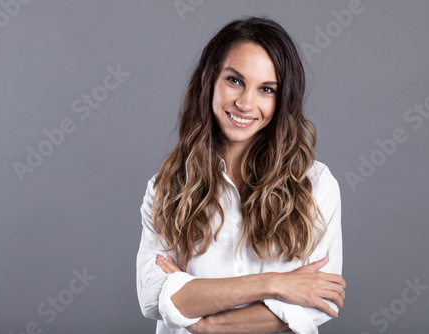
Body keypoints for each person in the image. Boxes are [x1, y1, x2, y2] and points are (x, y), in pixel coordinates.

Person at [136, 17, 346, 334]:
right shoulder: (167, 188)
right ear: (210, 81)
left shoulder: (315, 184)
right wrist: (274, 284)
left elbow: (318, 302)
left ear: (281, 100)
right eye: (234, 81)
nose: (245, 103)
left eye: (266, 89)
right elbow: (152, 297)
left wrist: (207, 323)